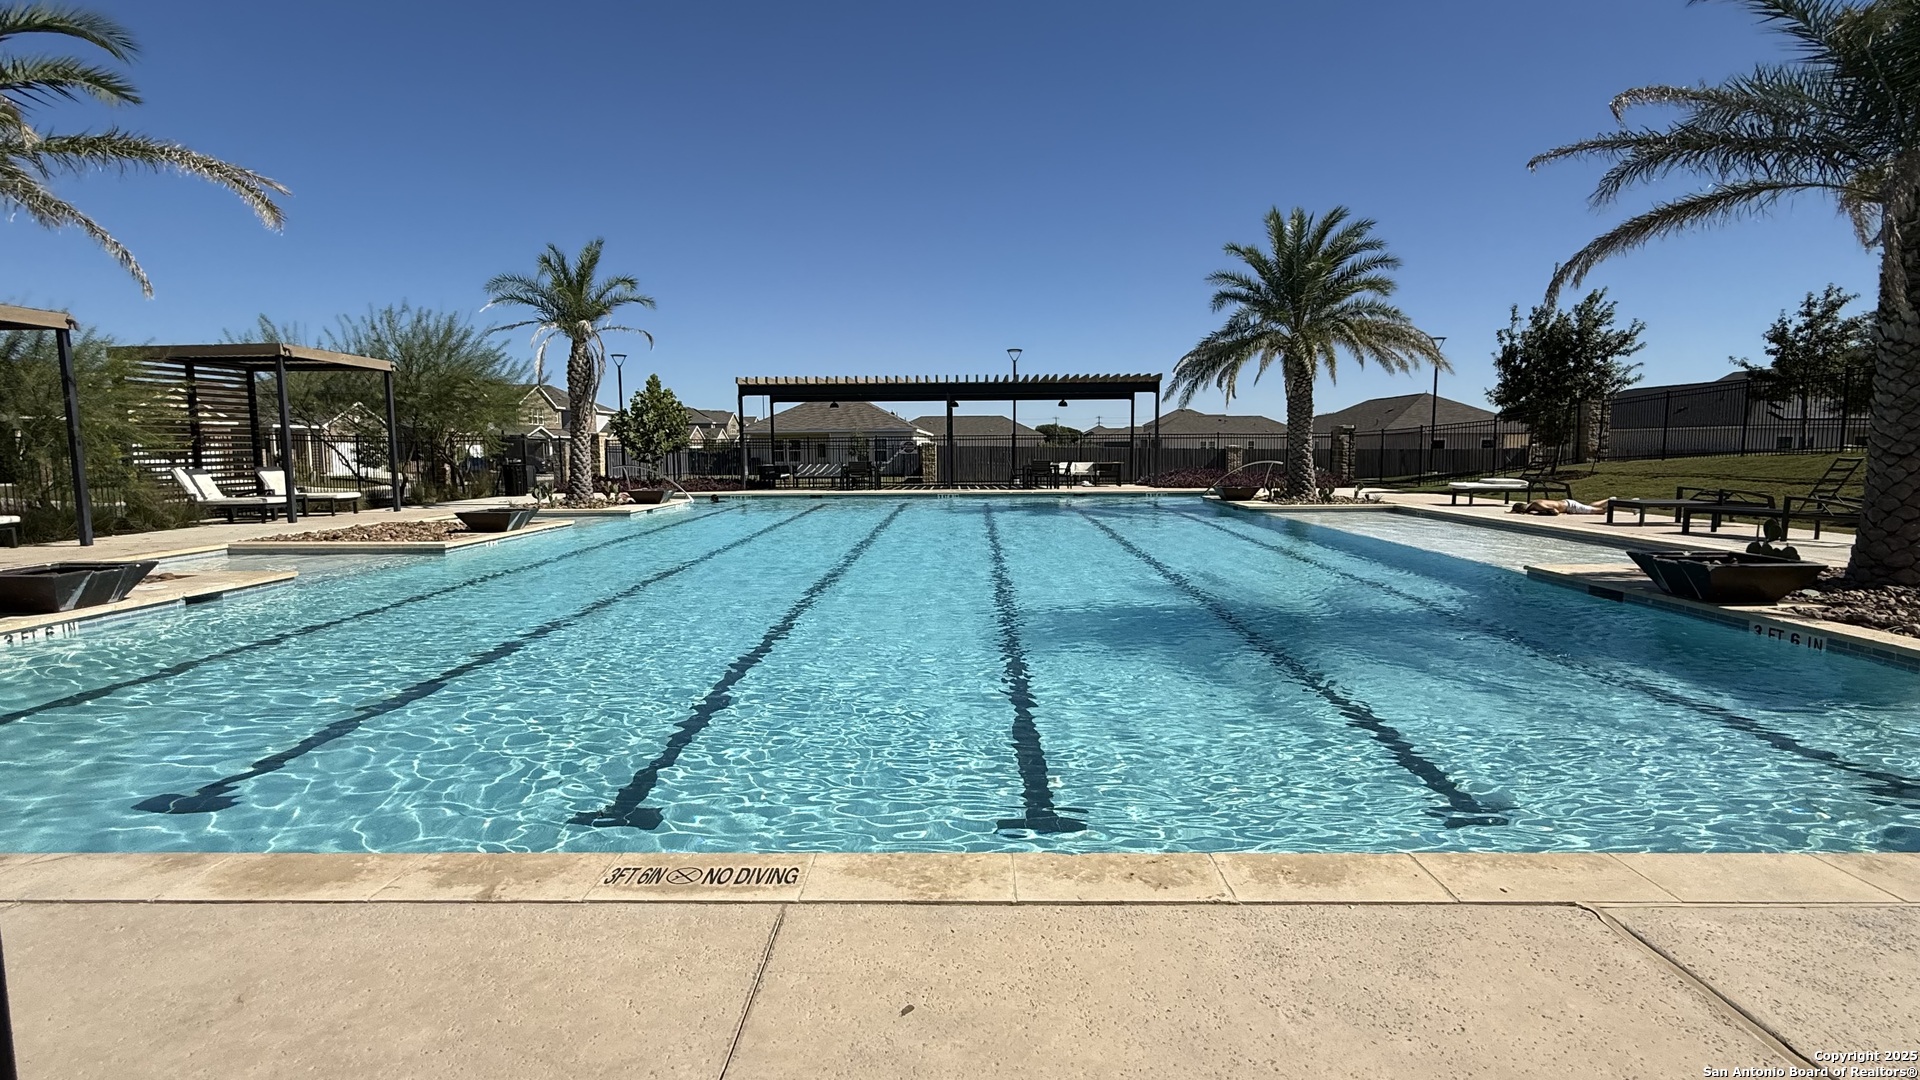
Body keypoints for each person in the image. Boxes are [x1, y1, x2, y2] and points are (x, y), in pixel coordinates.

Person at [1511, 496, 1613, 516]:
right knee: (1589, 507)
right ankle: (1609, 500)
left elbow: (1555, 512)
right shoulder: (1534, 503)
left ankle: (1612, 504)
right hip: (1567, 504)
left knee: (1601, 512)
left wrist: (1539, 514)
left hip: (1570, 506)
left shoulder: (1537, 505)